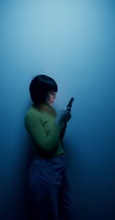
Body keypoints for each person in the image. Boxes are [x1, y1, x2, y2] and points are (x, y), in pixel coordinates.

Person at [25, 74, 74, 220]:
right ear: (41, 93)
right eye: (52, 93)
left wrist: (63, 122)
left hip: (59, 167)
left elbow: (57, 140)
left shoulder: (51, 111)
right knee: (48, 215)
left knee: (67, 212)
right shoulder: (31, 115)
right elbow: (46, 147)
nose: (55, 97)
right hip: (44, 169)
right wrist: (58, 121)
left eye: (55, 93)